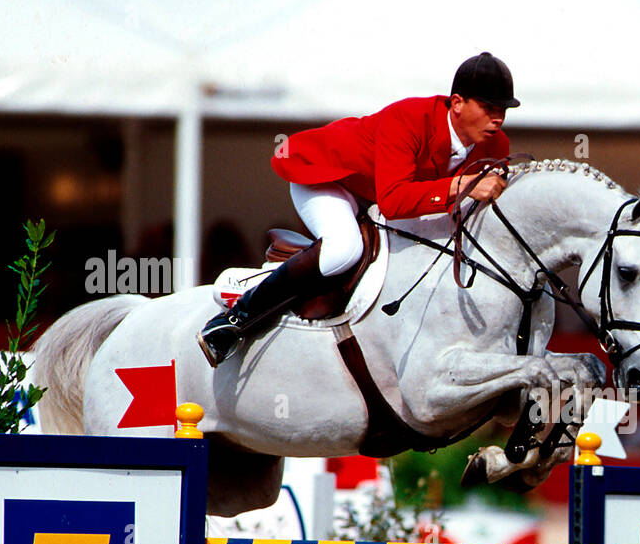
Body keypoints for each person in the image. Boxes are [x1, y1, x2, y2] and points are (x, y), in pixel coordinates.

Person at [197, 52, 519, 366]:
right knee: (344, 249)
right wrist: (461, 186)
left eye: (503, 109)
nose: (498, 119)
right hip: (329, 177)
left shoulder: (497, 145)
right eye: (489, 107)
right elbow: (393, 203)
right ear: (458, 103)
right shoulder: (408, 118)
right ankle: (236, 317)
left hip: (375, 196)